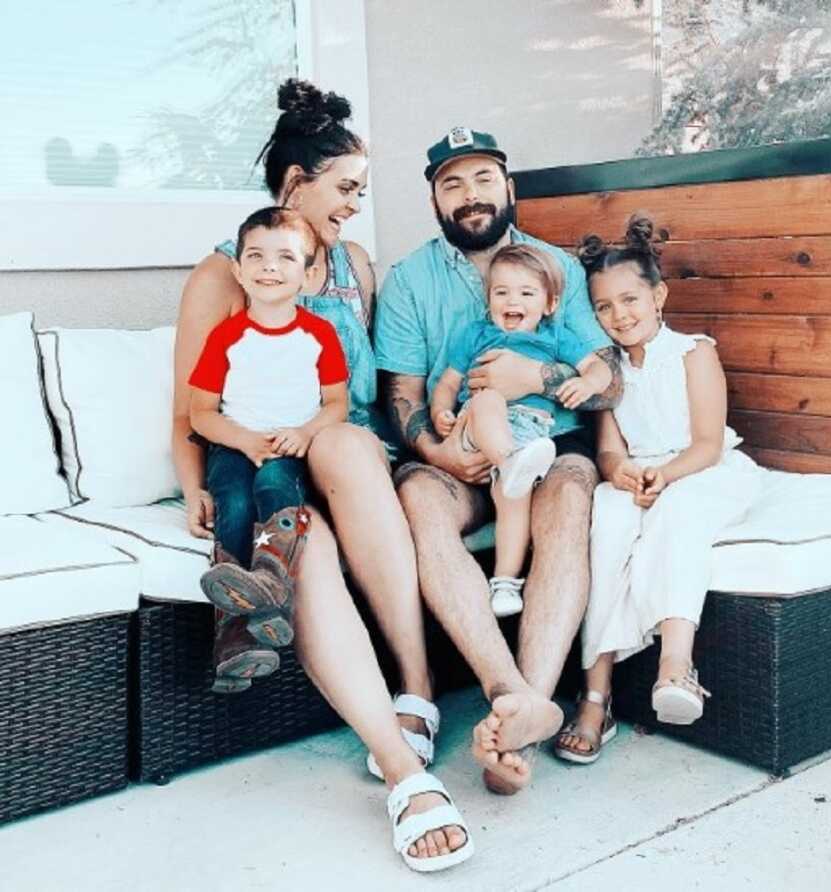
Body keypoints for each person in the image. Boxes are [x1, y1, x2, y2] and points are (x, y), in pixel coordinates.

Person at [173, 80, 471, 872]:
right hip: (264, 458)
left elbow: (361, 393)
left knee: (340, 445)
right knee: (302, 543)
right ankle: (406, 774)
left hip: (348, 453)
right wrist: (191, 483)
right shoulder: (227, 274)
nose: (353, 207)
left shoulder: (357, 264)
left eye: (362, 193)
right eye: (344, 190)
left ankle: (416, 689)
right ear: (295, 183)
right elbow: (191, 406)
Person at [375, 127, 623, 795]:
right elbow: (400, 394)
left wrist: (531, 380)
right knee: (419, 499)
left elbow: (611, 380)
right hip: (453, 450)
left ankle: (523, 726)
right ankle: (510, 694)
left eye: (483, 179)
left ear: (508, 189)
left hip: (549, 446)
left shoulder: (558, 270)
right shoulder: (409, 281)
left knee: (572, 498)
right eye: (452, 183)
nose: (470, 195)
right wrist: (439, 452)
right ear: (433, 199)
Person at [554, 215, 763, 765]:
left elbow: (707, 443)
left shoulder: (693, 352)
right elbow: (608, 448)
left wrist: (664, 477)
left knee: (679, 512)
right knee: (608, 523)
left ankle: (676, 667)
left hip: (699, 471)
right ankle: (594, 697)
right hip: (640, 475)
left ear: (658, 295)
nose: (619, 315)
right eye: (605, 307)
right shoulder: (607, 370)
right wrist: (620, 471)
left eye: (630, 300)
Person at [190, 207, 348, 651]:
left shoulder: (320, 335)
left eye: (285, 257)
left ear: (309, 275)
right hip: (233, 445)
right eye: (256, 257)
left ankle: (273, 596)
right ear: (239, 271)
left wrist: (305, 432)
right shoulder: (226, 337)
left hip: (289, 447)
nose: (270, 267)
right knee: (235, 501)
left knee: (275, 487)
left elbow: (338, 403)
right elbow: (200, 412)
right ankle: (234, 634)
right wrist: (242, 439)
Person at [430, 243, 613, 618]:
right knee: (489, 399)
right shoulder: (476, 334)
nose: (513, 300)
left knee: (513, 498)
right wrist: (439, 411)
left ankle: (504, 583)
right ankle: (509, 462)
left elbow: (601, 368)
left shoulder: (556, 337)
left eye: (527, 293)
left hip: (529, 436)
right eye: (502, 292)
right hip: (477, 429)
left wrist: (588, 384)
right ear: (489, 299)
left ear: (549, 303)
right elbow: (449, 382)